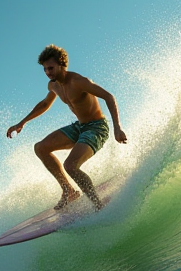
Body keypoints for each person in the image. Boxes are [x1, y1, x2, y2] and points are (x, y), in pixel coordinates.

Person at [7, 44, 127, 211]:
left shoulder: (78, 81)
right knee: (40, 148)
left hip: (97, 127)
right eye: (45, 69)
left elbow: (108, 96)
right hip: (80, 127)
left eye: (50, 68)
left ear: (61, 64)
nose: (47, 73)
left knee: (70, 166)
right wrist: (22, 122)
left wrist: (117, 127)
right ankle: (68, 191)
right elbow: (44, 104)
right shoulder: (53, 85)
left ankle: (98, 205)